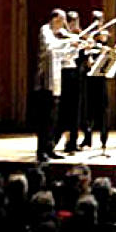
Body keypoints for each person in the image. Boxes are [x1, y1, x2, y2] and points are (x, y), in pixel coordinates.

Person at [33, 9, 69, 162]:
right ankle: (41, 151)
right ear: (54, 19)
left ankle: (50, 148)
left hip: (55, 82)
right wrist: (68, 41)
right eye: (62, 20)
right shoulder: (45, 30)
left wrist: (79, 46)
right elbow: (50, 48)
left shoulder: (56, 36)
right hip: (44, 83)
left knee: (53, 119)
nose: (64, 24)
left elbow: (64, 54)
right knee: (44, 119)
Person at [54, 11, 82, 153]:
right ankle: (54, 141)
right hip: (63, 73)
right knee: (64, 110)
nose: (75, 25)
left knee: (74, 110)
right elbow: (61, 56)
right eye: (72, 22)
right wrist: (71, 43)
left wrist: (82, 45)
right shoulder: (57, 36)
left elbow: (74, 56)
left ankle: (72, 142)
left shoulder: (73, 36)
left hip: (73, 72)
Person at [81, 29, 110, 150]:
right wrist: (88, 52)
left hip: (101, 82)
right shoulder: (89, 50)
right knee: (88, 113)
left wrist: (105, 53)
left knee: (103, 112)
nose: (106, 36)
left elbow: (109, 64)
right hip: (89, 83)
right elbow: (89, 64)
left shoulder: (104, 48)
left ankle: (104, 139)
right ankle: (87, 139)